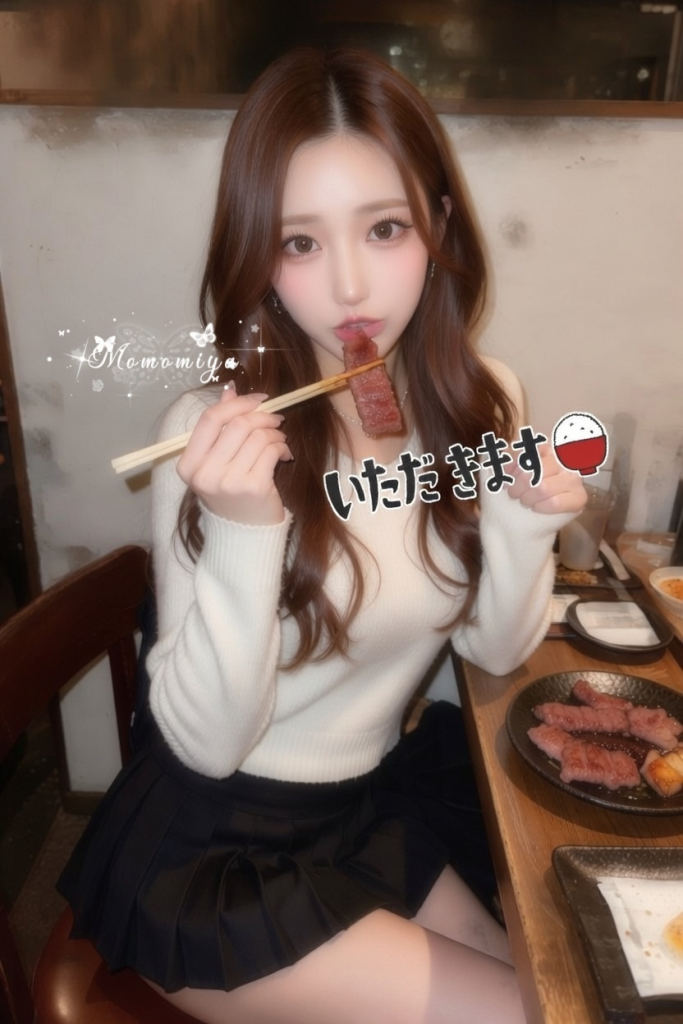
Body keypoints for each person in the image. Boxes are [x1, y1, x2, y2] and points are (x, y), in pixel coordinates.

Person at [58, 47, 585, 1024]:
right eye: (299, 242)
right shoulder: (209, 435)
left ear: (436, 223)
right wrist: (243, 529)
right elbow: (206, 747)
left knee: (561, 987)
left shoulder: (481, 400)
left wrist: (524, 524)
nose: (349, 287)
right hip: (210, 852)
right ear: (258, 258)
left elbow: (493, 649)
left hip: (360, 810)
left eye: (384, 228)